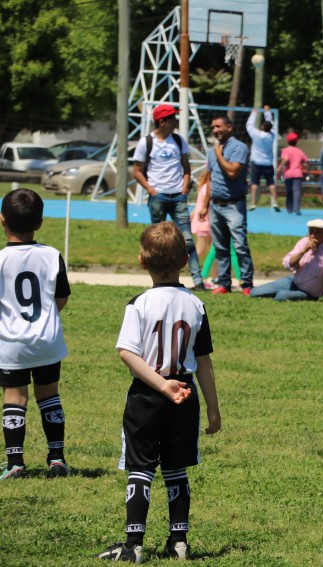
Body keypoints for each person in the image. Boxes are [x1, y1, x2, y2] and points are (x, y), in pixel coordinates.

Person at [98, 222, 220, 562]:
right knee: (175, 469)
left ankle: (134, 545)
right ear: (185, 260)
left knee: (141, 468)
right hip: (185, 393)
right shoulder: (196, 304)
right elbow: (204, 360)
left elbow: (126, 352)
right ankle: (178, 542)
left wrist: (159, 384)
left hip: (148, 395)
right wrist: (212, 406)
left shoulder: (139, 304)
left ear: (141, 261)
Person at [0, 188, 70, 480]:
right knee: (49, 395)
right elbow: (62, 297)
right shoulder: (52, 255)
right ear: (40, 223)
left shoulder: (1, 259)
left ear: (2, 220)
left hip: (11, 343)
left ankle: (15, 462)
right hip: (47, 341)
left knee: (15, 397)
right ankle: (57, 458)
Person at [132, 103, 205, 291]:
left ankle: (198, 281)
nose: (175, 121)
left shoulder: (179, 141)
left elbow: (186, 168)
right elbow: (137, 171)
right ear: (162, 121)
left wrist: (184, 188)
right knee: (157, 241)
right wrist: (152, 190)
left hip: (178, 197)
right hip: (158, 197)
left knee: (187, 240)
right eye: (172, 118)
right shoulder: (145, 142)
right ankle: (159, 279)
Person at [198, 114, 255, 295]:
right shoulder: (213, 150)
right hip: (216, 205)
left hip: (234, 205)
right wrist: (205, 206)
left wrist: (218, 155)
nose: (216, 130)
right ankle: (224, 283)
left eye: (219, 127)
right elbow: (211, 180)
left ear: (229, 127)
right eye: (213, 127)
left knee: (239, 245)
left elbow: (232, 172)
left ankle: (246, 284)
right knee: (220, 247)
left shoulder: (239, 148)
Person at [249, 219, 323, 304]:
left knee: (281, 296)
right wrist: (304, 250)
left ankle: (283, 293)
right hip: (293, 281)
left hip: (309, 292)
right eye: (311, 232)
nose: (313, 236)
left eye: (317, 233)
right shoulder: (303, 242)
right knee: (254, 293)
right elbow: (288, 263)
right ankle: (279, 291)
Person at [246, 106, 279, 212]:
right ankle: (274, 202)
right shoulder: (272, 135)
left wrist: (254, 113)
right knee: (271, 183)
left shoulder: (256, 135)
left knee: (254, 183)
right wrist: (267, 112)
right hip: (268, 163)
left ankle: (253, 203)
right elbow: (271, 123)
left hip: (257, 162)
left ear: (262, 127)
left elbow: (249, 125)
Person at [191, 170, 216, 289]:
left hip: (204, 222)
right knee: (200, 251)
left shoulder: (204, 186)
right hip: (205, 223)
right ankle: (200, 276)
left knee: (214, 252)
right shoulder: (209, 188)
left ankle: (215, 277)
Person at [278, 132, 309, 215]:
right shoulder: (299, 151)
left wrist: (280, 167)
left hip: (288, 173)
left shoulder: (285, 150)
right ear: (296, 141)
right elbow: (306, 162)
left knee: (289, 191)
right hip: (297, 173)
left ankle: (289, 208)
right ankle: (297, 208)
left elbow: (286, 159)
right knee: (297, 191)